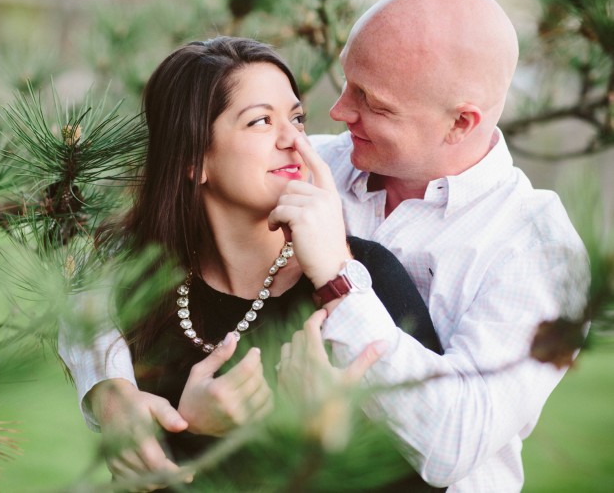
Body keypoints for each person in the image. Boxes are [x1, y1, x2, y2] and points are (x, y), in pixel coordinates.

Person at [59, 36, 442, 490]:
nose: (293, 140)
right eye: (261, 121)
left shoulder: (365, 274)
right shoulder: (144, 287)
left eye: (297, 118)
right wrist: (179, 424)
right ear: (192, 159)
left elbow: (430, 468)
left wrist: (327, 433)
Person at [271, 0, 589, 491]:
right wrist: (110, 389)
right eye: (347, 83)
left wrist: (338, 275)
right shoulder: (316, 165)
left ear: (461, 123)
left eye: (372, 102)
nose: (337, 111)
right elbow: (137, 246)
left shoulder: (541, 248)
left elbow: (455, 442)